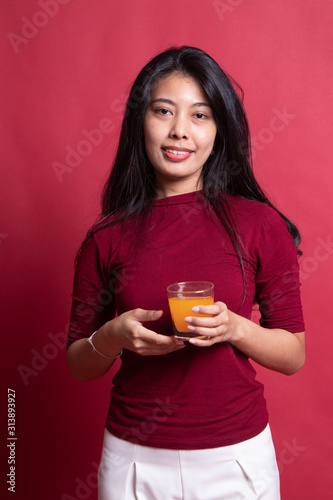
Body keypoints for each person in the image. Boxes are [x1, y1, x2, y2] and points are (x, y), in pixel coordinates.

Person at [66, 46, 305, 500]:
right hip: (133, 459)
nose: (180, 131)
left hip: (237, 457)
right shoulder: (107, 237)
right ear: (141, 120)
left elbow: (293, 355)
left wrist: (235, 327)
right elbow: (78, 362)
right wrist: (114, 336)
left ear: (220, 130)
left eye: (200, 115)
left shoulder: (259, 224)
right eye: (163, 111)